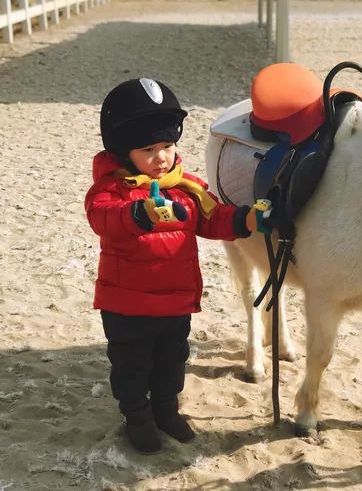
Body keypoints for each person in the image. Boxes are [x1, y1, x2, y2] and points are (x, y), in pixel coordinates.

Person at [85, 78, 262, 454]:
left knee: (171, 361)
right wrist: (139, 213)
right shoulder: (111, 190)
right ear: (122, 151)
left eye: (167, 146)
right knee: (131, 366)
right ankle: (137, 416)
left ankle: (166, 409)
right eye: (148, 149)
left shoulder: (186, 187)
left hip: (175, 302)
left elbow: (212, 219)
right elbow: (103, 219)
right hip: (127, 305)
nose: (161, 157)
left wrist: (245, 220)